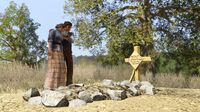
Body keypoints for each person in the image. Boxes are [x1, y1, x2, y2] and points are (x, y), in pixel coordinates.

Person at [44, 24, 67, 90]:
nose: (63, 29)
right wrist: (49, 50)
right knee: (54, 68)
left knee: (61, 68)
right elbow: (50, 41)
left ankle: (60, 86)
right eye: (62, 27)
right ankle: (51, 86)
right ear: (59, 27)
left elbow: (67, 37)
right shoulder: (53, 31)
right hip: (54, 50)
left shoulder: (60, 34)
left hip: (60, 51)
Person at [62, 21, 74, 86]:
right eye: (68, 27)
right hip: (62, 52)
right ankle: (61, 83)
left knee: (70, 67)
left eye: (70, 27)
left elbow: (72, 40)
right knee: (62, 68)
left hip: (69, 52)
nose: (69, 28)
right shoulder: (60, 32)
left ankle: (69, 82)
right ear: (65, 26)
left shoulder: (70, 33)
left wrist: (67, 37)